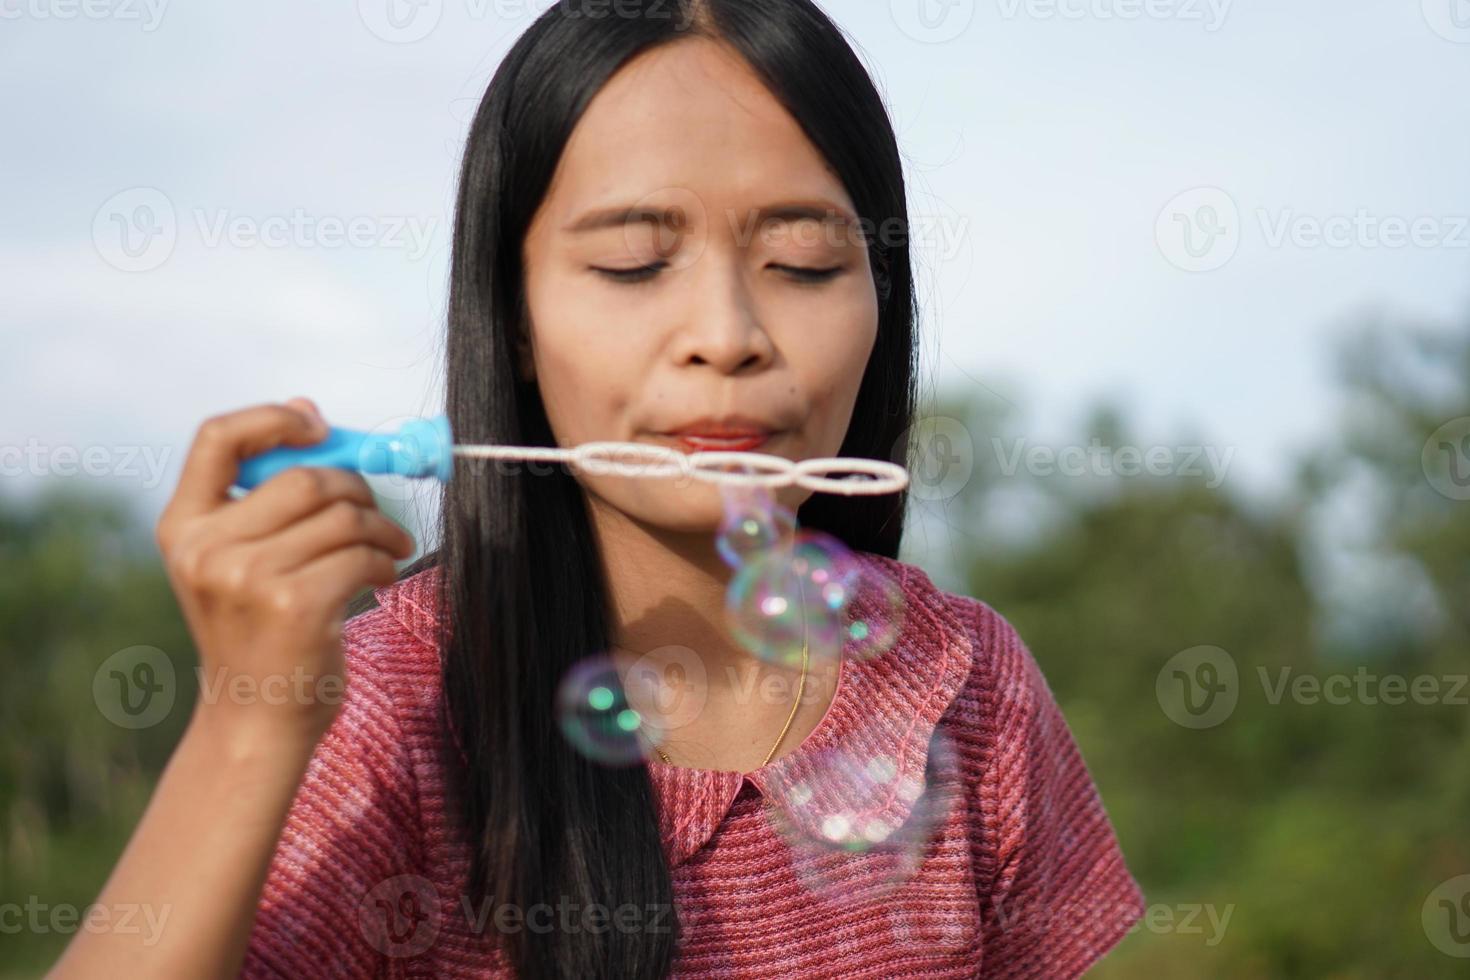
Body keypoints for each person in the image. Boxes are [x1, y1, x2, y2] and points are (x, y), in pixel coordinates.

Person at [47, 1, 1143, 976]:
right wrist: (251, 725)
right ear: (513, 319)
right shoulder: (396, 712)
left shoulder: (965, 685)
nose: (726, 337)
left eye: (805, 261)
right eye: (631, 263)